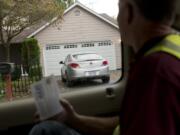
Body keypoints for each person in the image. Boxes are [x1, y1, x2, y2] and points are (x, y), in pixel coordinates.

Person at [29, 0, 180, 134]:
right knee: (46, 129)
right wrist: (73, 119)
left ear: (129, 12)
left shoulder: (156, 70)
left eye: (118, 8)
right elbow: (124, 123)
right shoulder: (171, 47)